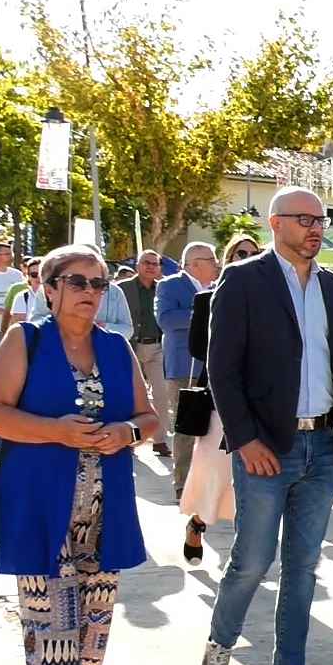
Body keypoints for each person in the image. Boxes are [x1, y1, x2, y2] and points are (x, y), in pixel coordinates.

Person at [0, 245, 159, 665]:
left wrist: (125, 433)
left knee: (94, 620)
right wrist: (56, 431)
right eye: (76, 282)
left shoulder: (115, 346)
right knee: (50, 615)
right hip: (40, 502)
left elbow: (150, 419)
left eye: (99, 284)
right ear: (49, 288)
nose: (89, 293)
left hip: (106, 508)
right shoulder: (25, 340)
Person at [197, 186, 333, 665]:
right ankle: (219, 647)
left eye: (322, 220)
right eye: (305, 219)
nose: (317, 228)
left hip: (323, 443)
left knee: (304, 566)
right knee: (252, 560)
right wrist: (245, 440)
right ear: (275, 224)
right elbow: (222, 369)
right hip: (267, 446)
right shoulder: (243, 281)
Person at [178, 241, 237, 565]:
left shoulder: (272, 302)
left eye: (253, 254)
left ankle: (249, 549)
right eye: (240, 254)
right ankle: (198, 522)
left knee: (254, 482)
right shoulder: (207, 300)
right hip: (218, 401)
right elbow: (198, 348)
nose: (248, 259)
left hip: (264, 405)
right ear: (226, 262)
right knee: (214, 471)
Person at [158, 242, 218, 501]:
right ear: (194, 264)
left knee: (214, 428)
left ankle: (210, 484)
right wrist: (204, 312)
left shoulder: (219, 286)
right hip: (184, 367)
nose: (216, 264)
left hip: (217, 366)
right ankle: (182, 484)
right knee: (186, 427)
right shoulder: (169, 285)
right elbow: (167, 320)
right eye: (211, 260)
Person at [118, 249, 174, 458]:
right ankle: (131, 440)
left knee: (160, 395)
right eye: (146, 263)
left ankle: (159, 441)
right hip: (131, 347)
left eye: (155, 264)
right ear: (137, 265)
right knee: (131, 398)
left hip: (157, 348)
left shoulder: (164, 289)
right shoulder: (122, 289)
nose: (150, 267)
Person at [7, 256, 43, 324]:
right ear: (28, 277)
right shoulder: (22, 297)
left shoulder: (57, 296)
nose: (38, 278)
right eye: (34, 274)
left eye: (41, 274)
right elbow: (18, 326)